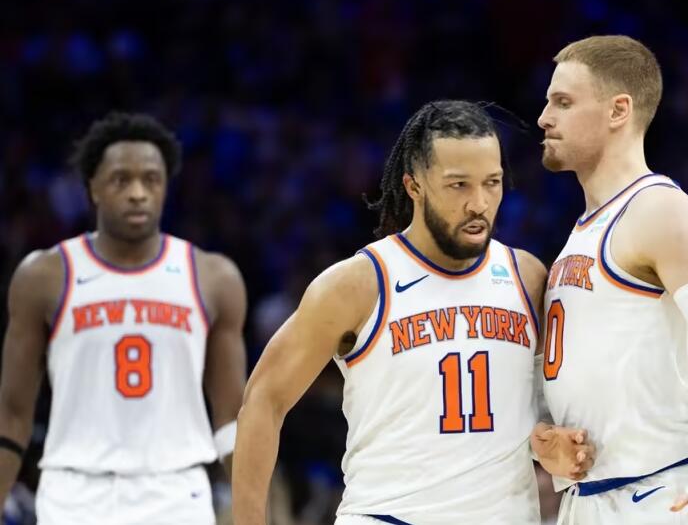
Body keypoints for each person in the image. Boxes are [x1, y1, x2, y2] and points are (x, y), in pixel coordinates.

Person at [232, 100, 592, 525]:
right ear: (413, 186)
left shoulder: (527, 277)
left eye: (492, 183)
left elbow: (542, 411)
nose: (479, 203)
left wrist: (553, 443)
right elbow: (263, 399)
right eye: (458, 185)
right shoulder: (359, 284)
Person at [536, 35, 688, 525]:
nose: (544, 118)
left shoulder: (661, 212)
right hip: (590, 499)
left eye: (563, 102)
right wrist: (547, 441)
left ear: (619, 110)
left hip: (666, 493)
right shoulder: (580, 234)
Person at [0, 112, 248, 524]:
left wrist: (256, 510)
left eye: (151, 179)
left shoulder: (213, 277)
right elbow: (11, 415)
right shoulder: (43, 276)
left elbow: (231, 421)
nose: (137, 193)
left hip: (176, 493)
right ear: (92, 188)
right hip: (73, 493)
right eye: (121, 179)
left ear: (165, 187)